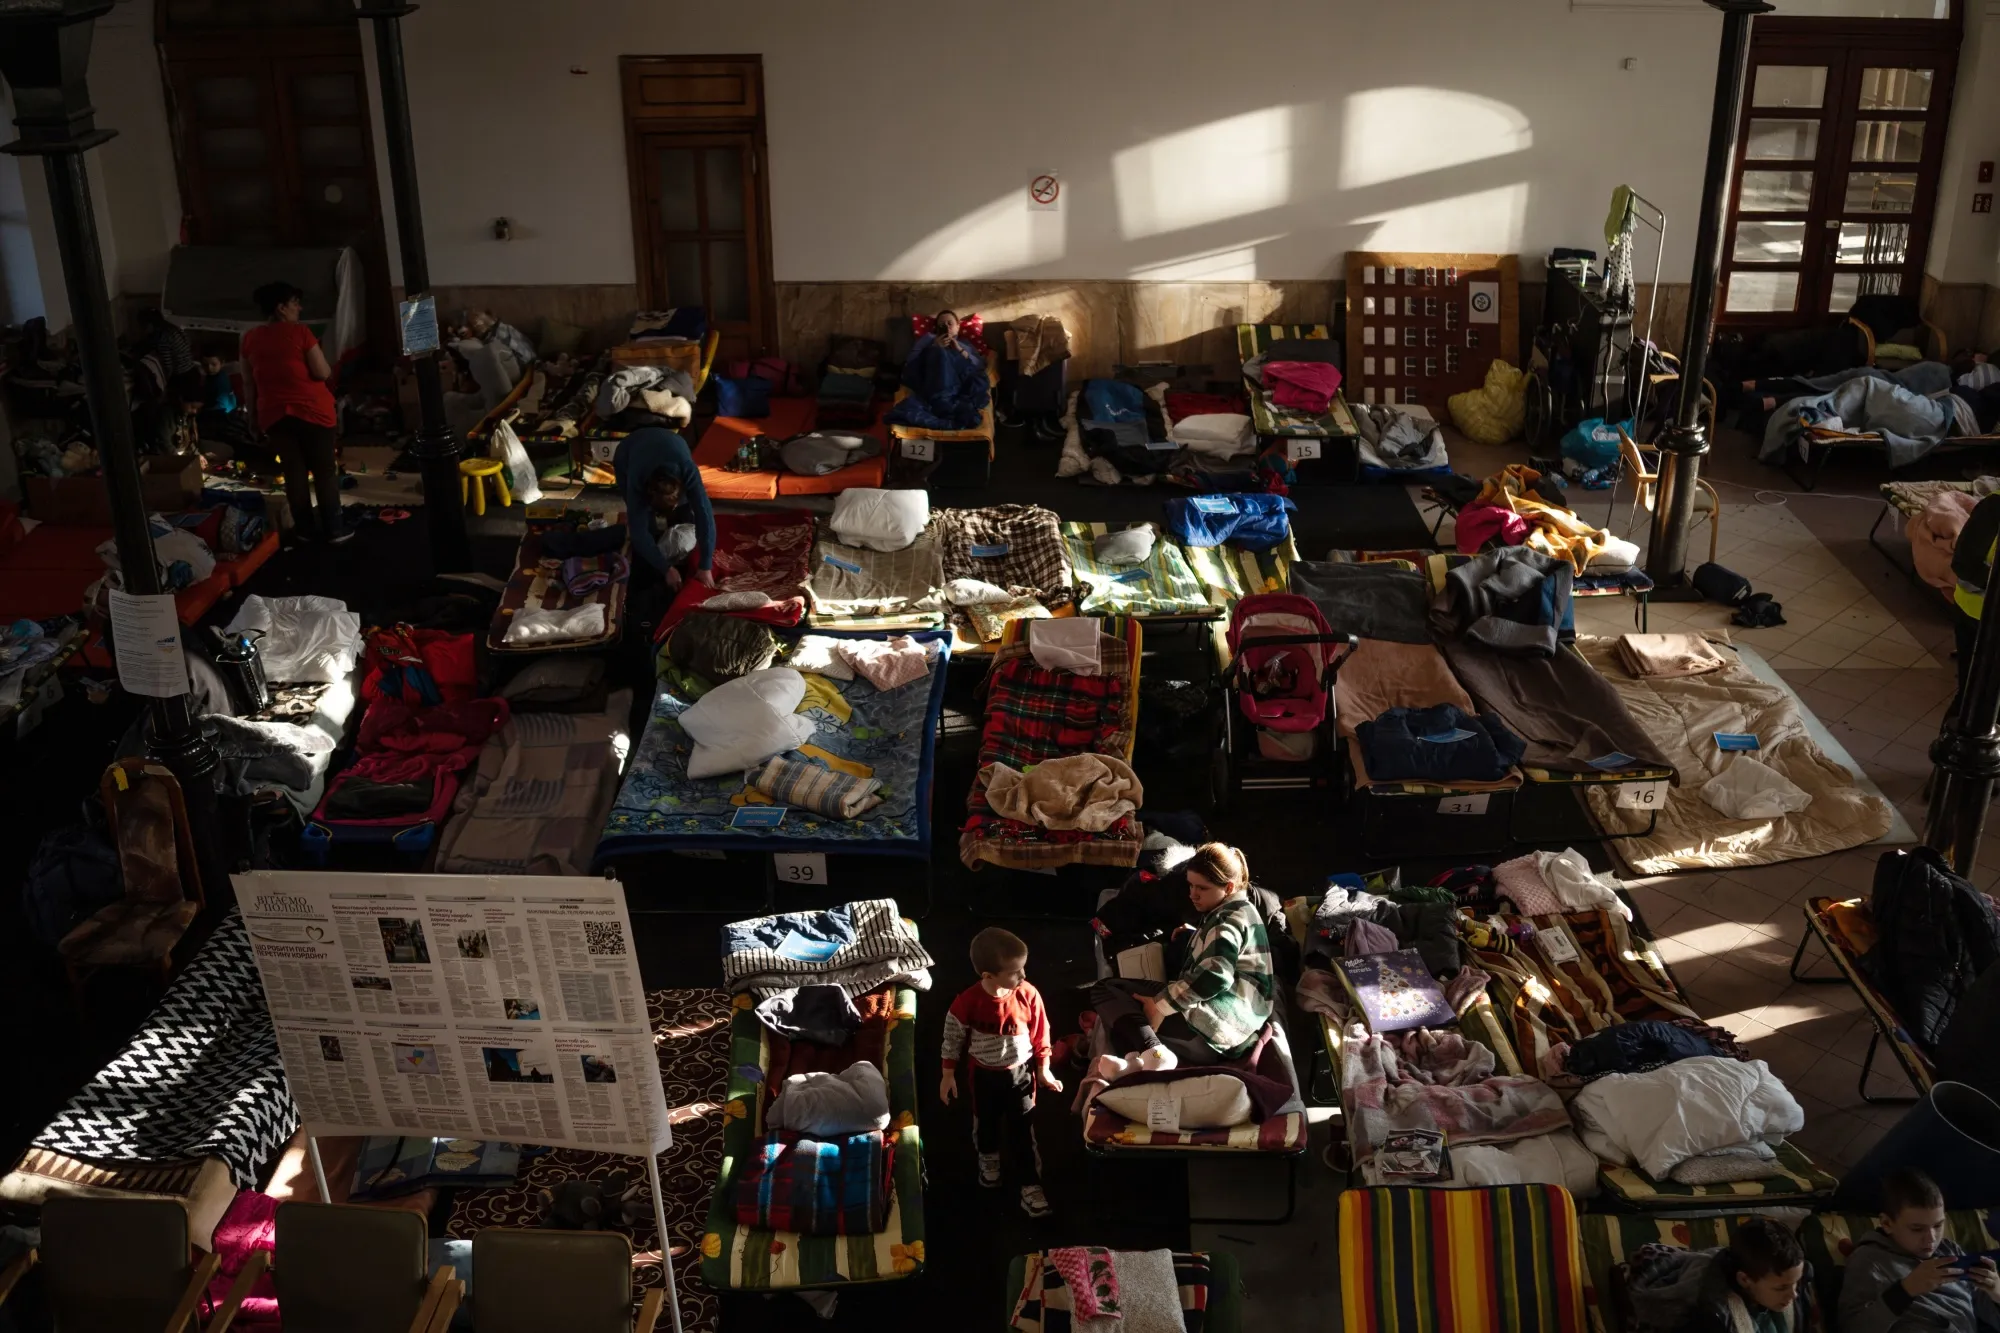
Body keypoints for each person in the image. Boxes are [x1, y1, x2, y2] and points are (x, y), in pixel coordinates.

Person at [1088, 842, 1274, 1070]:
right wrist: (1196, 935)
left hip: (1212, 1033)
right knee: (1127, 1011)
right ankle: (1142, 1056)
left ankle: (1154, 1052)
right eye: (1191, 885)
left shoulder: (1224, 923)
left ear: (1228, 887)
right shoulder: (1244, 910)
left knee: (1106, 991)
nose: (1192, 895)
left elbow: (1216, 975)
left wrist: (1161, 1005)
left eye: (1202, 888)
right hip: (1238, 1028)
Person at [938, 926, 1062, 1218]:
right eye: (1015, 972)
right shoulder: (967, 1002)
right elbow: (952, 1039)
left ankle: (1030, 1185)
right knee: (986, 1124)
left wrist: (1044, 1070)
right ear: (988, 976)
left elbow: (1041, 1034)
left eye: (1023, 968)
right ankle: (989, 1159)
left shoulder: (1028, 995)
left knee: (1023, 1130)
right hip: (984, 1077)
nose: (1023, 976)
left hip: (1021, 1075)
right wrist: (947, 1075)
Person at [240, 281, 346, 542]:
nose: (299, 308)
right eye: (295, 303)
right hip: (313, 413)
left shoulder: (250, 338)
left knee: (293, 473)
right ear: (281, 308)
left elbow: (249, 384)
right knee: (324, 471)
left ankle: (305, 530)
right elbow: (322, 372)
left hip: (274, 416)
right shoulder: (300, 333)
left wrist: (252, 420)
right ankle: (334, 529)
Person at [1839, 1168, 2000, 1333]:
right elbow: (1852, 1328)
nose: (1931, 1239)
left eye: (1938, 1225)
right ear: (1887, 1224)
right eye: (1917, 1229)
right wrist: (1905, 1290)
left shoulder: (1950, 1250)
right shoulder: (1868, 1260)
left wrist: (1996, 1292)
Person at [1622, 1215, 1813, 1331]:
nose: (1793, 1294)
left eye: (1795, 1283)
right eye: (1781, 1288)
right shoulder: (1710, 1315)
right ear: (1744, 1279)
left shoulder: (1788, 1280)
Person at [613, 427, 715, 593]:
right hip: (629, 450)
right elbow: (639, 532)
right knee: (646, 526)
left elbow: (705, 515)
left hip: (671, 442)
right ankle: (655, 558)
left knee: (687, 518)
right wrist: (665, 568)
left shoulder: (687, 470)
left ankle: (674, 551)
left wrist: (705, 566)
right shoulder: (637, 480)